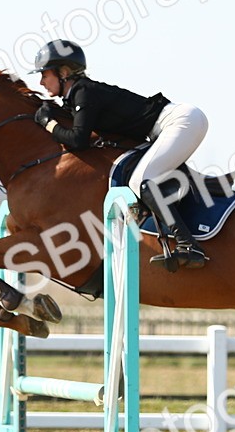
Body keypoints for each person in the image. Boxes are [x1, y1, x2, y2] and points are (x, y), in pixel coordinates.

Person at [29, 39, 210, 269]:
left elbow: (78, 140)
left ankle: (188, 245)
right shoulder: (78, 95)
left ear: (63, 72)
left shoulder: (84, 92)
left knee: (141, 181)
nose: (41, 81)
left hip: (181, 121)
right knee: (143, 176)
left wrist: (49, 124)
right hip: (173, 124)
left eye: (45, 74)